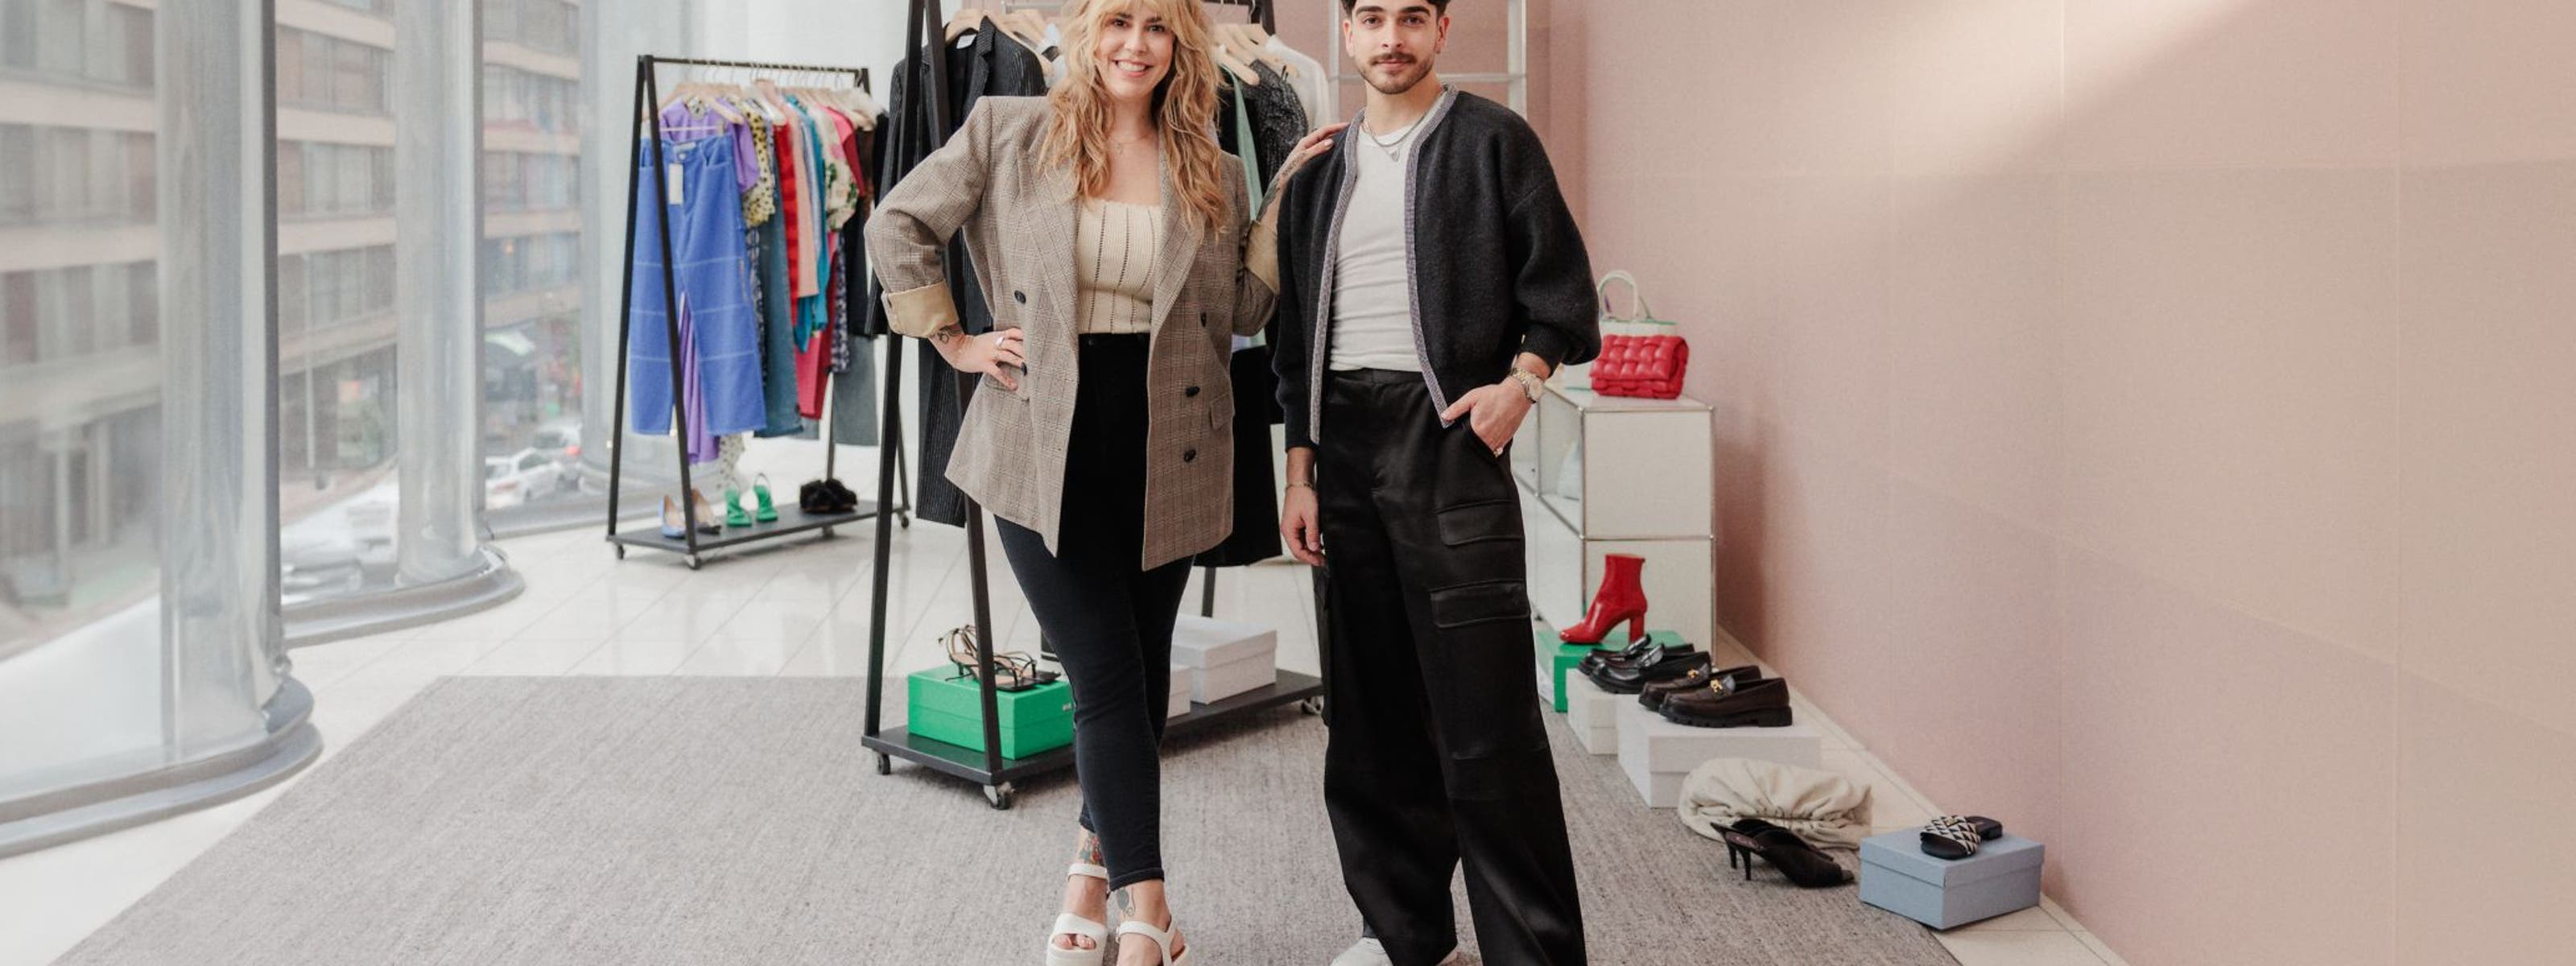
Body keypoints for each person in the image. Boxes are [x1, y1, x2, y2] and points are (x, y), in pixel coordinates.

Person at [865, 2, 1335, 964]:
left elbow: (1244, 306)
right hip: (1041, 441)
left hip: (1171, 443)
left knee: (1138, 669)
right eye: (1117, 20)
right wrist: (951, 336)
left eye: (1156, 27)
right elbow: (898, 219)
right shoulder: (1010, 129)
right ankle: (1146, 910)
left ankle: (1089, 869)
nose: (1135, 43)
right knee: (1107, 679)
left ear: (1180, 47)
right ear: (1086, 34)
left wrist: (1282, 192)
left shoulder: (1214, 163)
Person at [1267, 2, 1602, 964]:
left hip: (1447, 438)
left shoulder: (1495, 141)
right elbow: (1292, 344)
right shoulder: (1319, 171)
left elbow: (1563, 298)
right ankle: (1402, 934)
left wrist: (1519, 388)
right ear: (1344, 31)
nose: (1390, 37)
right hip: (1338, 449)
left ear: (1443, 29)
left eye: (1411, 16)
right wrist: (1299, 471)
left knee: (1484, 721)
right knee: (1366, 724)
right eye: (1370, 17)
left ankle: (1532, 953)